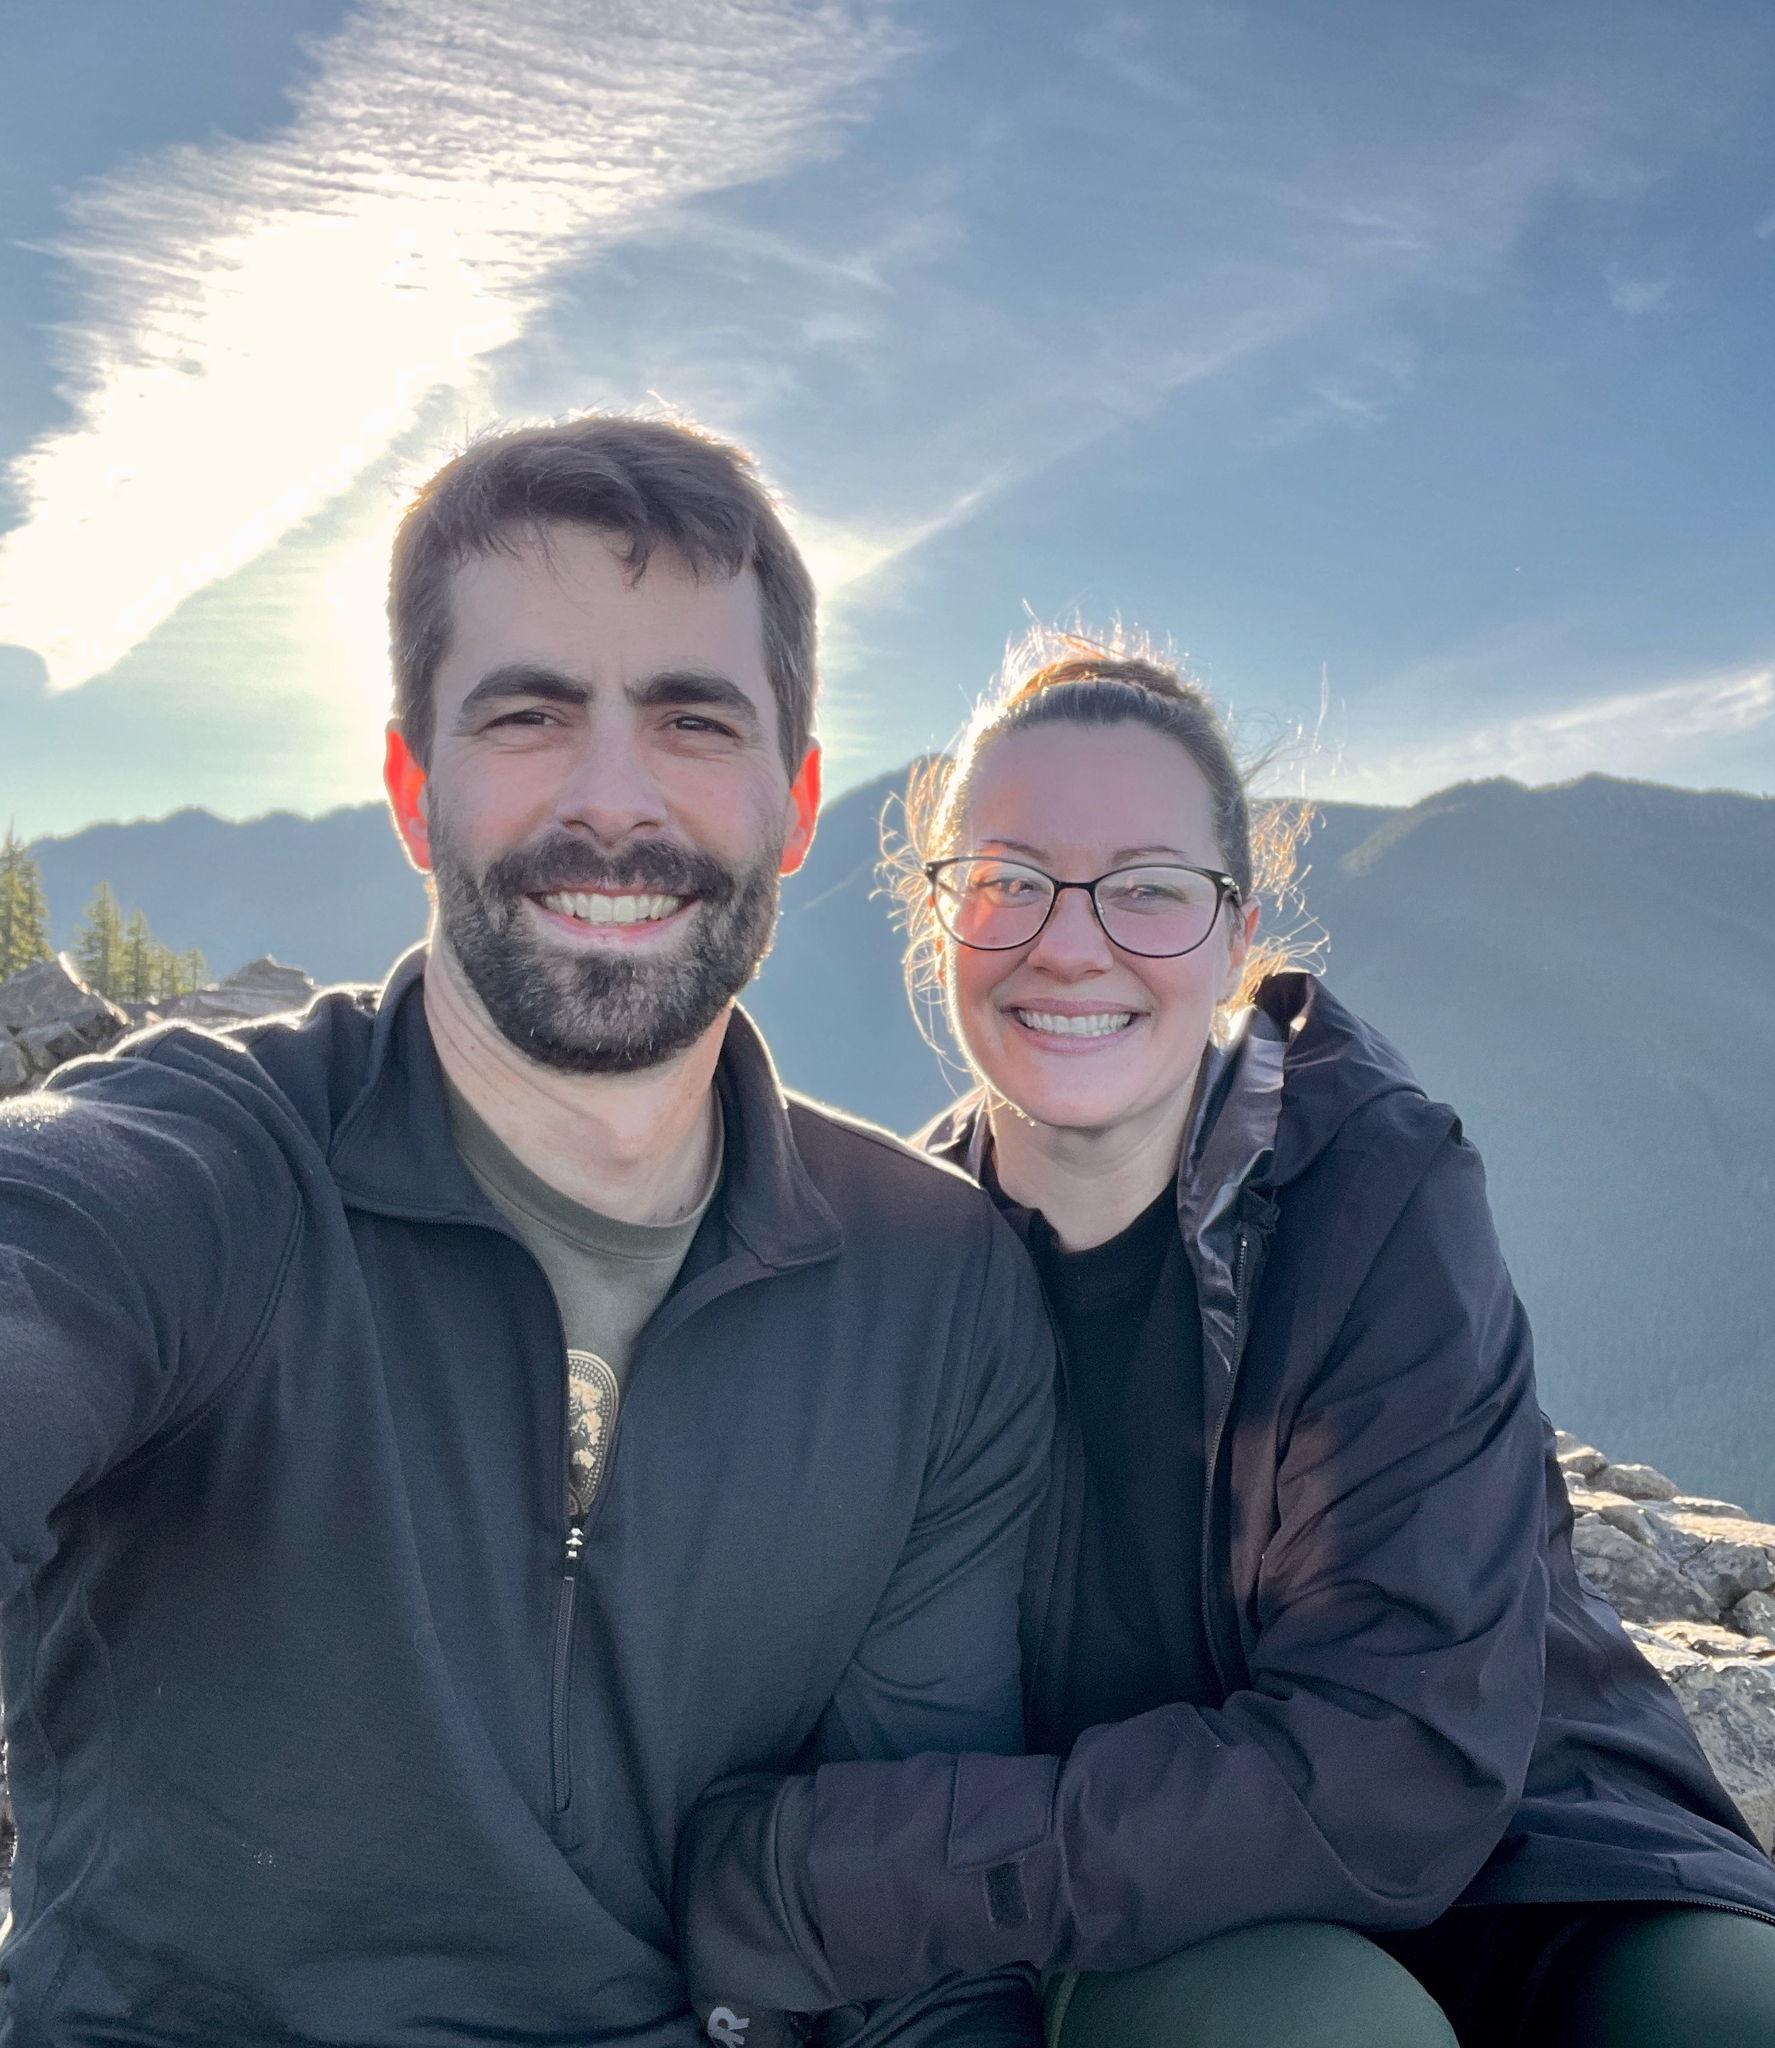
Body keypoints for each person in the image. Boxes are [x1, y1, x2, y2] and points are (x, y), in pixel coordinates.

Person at [682, 634, 1775, 2047]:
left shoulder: (1373, 1186)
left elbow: (1401, 1759)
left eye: (1146, 890)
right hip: (1163, 1915)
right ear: (937, 915)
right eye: (1009, 880)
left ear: (1234, 933)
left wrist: (816, 1876)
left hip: (1539, 1853)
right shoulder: (889, 1278)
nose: (1067, 940)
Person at [0, 415, 1053, 2047]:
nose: (614, 801)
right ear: (416, 791)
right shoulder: (215, 1170)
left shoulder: (931, 1287)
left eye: (695, 720)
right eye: (530, 715)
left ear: (796, 801)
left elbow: (911, 1922)